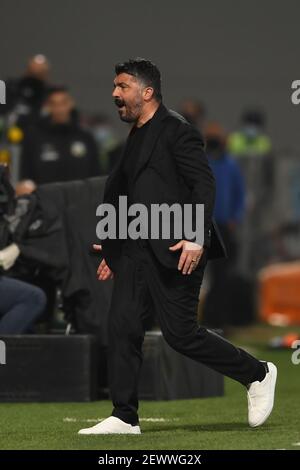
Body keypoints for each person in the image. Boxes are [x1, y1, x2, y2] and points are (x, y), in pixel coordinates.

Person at [78, 58, 277, 435]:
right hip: (135, 248)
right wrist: (110, 246)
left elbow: (204, 185)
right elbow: (128, 194)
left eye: (122, 86)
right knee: (122, 326)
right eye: (115, 86)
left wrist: (197, 237)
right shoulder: (136, 135)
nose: (115, 93)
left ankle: (259, 373)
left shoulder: (177, 131)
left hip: (178, 247)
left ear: (147, 92)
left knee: (180, 334)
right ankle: (124, 416)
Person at [203, 122, 246, 328]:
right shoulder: (201, 162)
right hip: (203, 225)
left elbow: (240, 195)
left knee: (222, 275)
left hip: (223, 227)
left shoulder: (230, 165)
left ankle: (219, 319)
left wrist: (234, 218)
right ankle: (205, 319)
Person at [20, 86, 100, 184]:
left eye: (63, 103)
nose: (59, 109)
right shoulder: (34, 138)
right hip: (45, 197)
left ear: (71, 104)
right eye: (54, 104)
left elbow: (96, 175)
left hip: (80, 197)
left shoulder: (86, 137)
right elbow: (25, 177)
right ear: (47, 106)